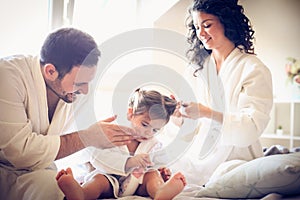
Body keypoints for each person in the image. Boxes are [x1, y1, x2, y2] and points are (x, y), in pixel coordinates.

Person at [0, 27, 135, 200]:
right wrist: (87, 137)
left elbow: (86, 147)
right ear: (50, 71)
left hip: (35, 172)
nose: (85, 91)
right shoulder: (8, 77)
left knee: (53, 188)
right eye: (79, 83)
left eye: (88, 82)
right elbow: (21, 152)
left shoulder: (78, 93)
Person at [171, 0, 273, 185]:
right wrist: (178, 115)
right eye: (197, 27)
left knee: (226, 177)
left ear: (227, 22)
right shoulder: (197, 69)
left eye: (207, 25)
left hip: (235, 158)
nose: (201, 33)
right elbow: (188, 127)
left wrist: (206, 112)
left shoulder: (253, 69)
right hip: (199, 156)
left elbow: (250, 127)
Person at [56, 88, 187, 200]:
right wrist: (129, 162)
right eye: (144, 124)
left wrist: (162, 171)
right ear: (131, 114)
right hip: (110, 178)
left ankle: (160, 192)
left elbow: (158, 163)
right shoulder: (114, 134)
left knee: (152, 176)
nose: (148, 132)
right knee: (99, 181)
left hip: (137, 184)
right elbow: (98, 158)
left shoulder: (154, 144)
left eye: (155, 130)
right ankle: (82, 193)